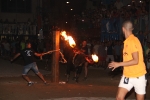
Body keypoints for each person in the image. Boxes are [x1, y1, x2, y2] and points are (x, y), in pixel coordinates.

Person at [108, 20, 147, 100]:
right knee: (119, 97)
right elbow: (128, 59)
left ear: (123, 29)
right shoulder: (127, 41)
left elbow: (135, 60)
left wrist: (118, 64)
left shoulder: (132, 41)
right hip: (127, 76)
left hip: (138, 76)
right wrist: (125, 72)